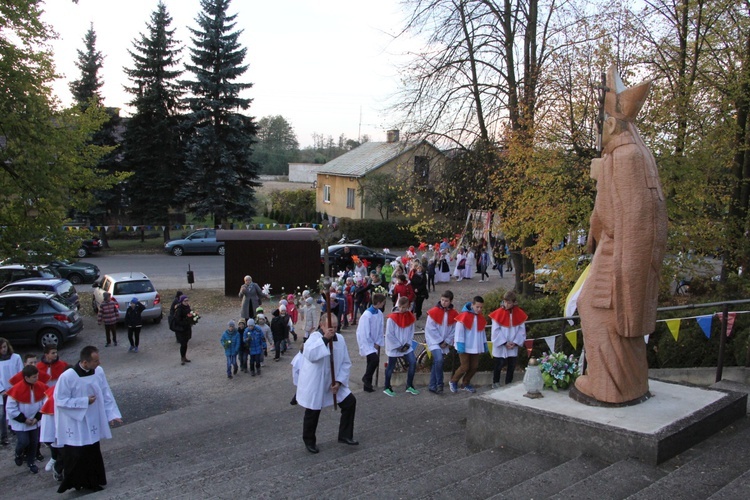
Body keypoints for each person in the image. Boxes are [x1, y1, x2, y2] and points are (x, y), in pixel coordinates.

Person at [575, 66, 668, 404]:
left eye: (602, 123)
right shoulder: (628, 155)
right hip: (616, 249)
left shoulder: (627, 156)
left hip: (620, 255)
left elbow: (632, 218)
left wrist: (625, 276)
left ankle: (609, 385)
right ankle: (621, 382)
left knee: (596, 309)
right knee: (595, 310)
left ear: (612, 124)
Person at [54, 346, 122, 493]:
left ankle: (93, 482)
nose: (99, 363)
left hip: (92, 420)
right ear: (85, 362)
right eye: (95, 361)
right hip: (76, 422)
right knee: (77, 455)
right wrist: (84, 401)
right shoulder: (68, 377)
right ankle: (75, 483)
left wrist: (112, 414)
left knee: (92, 453)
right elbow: (60, 400)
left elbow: (105, 392)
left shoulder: (98, 372)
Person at [296, 315, 357, 453]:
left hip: (333, 381)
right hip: (317, 383)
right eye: (331, 327)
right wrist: (324, 340)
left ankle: (345, 435)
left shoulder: (340, 339)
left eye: (335, 327)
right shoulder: (314, 338)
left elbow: (346, 362)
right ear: (322, 325)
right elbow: (311, 354)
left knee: (350, 402)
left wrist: (339, 382)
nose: (333, 330)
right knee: (313, 411)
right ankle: (309, 441)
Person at [6, 364, 47, 474]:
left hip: (34, 421)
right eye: (34, 377)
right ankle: (18, 453)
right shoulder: (16, 389)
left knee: (34, 442)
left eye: (37, 376)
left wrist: (37, 417)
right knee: (24, 441)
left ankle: (31, 462)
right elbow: (10, 408)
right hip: (21, 422)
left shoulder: (40, 386)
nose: (37, 378)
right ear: (26, 378)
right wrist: (24, 420)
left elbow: (45, 403)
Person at [449, 296, 487, 394]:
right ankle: (453, 381)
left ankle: (465, 383)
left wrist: (484, 344)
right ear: (472, 305)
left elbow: (482, 332)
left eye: (481, 307)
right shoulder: (464, 316)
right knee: (464, 366)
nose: (479, 309)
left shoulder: (480, 318)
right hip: (465, 346)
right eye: (477, 307)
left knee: (474, 367)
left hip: (475, 346)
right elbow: (459, 332)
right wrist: (460, 345)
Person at [489, 290, 527, 388]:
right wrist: (504, 342)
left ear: (514, 302)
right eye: (505, 302)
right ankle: (495, 382)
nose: (506, 304)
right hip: (501, 345)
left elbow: (521, 330)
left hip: (513, 344)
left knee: (511, 365)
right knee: (498, 364)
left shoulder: (519, 314)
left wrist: (515, 342)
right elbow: (495, 331)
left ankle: (508, 383)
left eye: (509, 302)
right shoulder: (497, 314)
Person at [383, 297, 419, 397]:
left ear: (408, 306)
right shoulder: (392, 318)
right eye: (400, 307)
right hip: (395, 347)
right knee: (391, 366)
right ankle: (387, 387)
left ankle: (409, 385)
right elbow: (390, 334)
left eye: (404, 307)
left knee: (413, 362)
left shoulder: (410, 317)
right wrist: (398, 346)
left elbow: (411, 332)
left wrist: (407, 344)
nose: (402, 309)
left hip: (406, 346)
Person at [424, 290, 458, 394]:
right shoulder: (433, 312)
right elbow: (430, 328)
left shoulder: (454, 314)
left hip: (445, 342)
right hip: (434, 341)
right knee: (439, 360)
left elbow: (454, 329)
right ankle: (440, 384)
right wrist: (440, 341)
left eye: (446, 301)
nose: (444, 302)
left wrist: (447, 341)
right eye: (442, 300)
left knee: (437, 363)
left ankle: (432, 385)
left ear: (450, 301)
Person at [356, 293, 386, 393]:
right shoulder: (367, 315)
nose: (384, 304)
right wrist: (370, 344)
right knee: (374, 360)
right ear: (378, 302)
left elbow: (381, 328)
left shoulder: (379, 313)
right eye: (383, 303)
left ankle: (367, 386)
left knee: (370, 362)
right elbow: (364, 331)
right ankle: (366, 377)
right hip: (368, 342)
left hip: (375, 342)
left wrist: (378, 342)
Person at [0, 337, 23, 446]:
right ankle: (3, 436)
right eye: (0, 348)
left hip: (15, 389)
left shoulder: (16, 357)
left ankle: (14, 428)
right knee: (3, 414)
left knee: (15, 409)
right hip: (3, 392)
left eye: (4, 347)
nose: (3, 350)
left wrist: (17, 387)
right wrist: (2, 390)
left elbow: (20, 373)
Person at [173, 295, 194, 365]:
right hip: (181, 329)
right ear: (182, 301)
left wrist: (193, 319)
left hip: (187, 328)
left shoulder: (187, 307)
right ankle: (182, 357)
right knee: (183, 344)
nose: (187, 302)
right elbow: (177, 320)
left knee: (186, 343)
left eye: (187, 300)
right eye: (185, 301)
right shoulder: (179, 309)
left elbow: (190, 314)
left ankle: (184, 356)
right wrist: (185, 321)